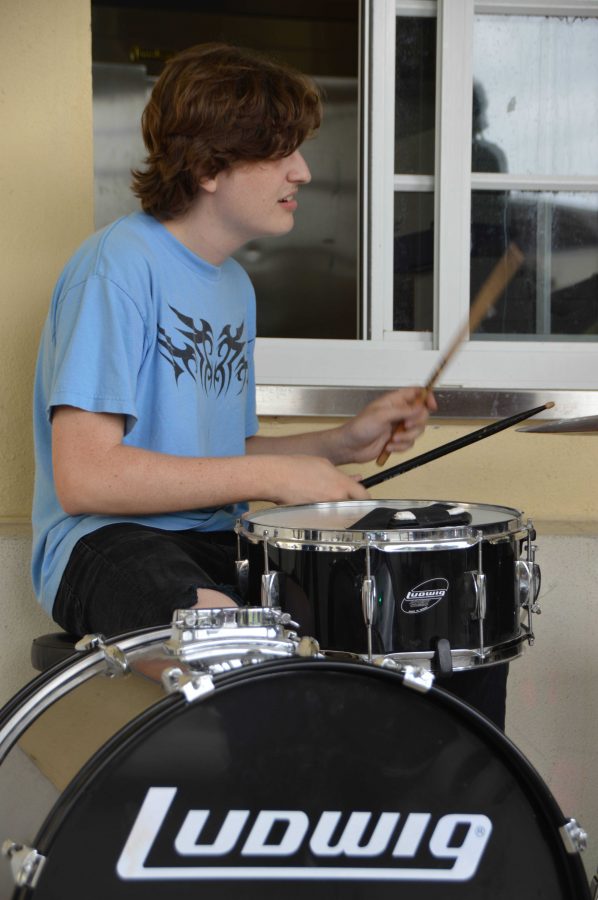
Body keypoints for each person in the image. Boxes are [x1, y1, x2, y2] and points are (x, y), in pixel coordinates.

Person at [32, 43, 435, 643]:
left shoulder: (234, 286)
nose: (302, 171)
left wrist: (341, 443)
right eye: (280, 154)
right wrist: (274, 476)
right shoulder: (117, 266)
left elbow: (222, 448)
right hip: (105, 540)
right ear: (208, 167)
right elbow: (85, 476)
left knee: (398, 618)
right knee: (230, 639)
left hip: (220, 539)